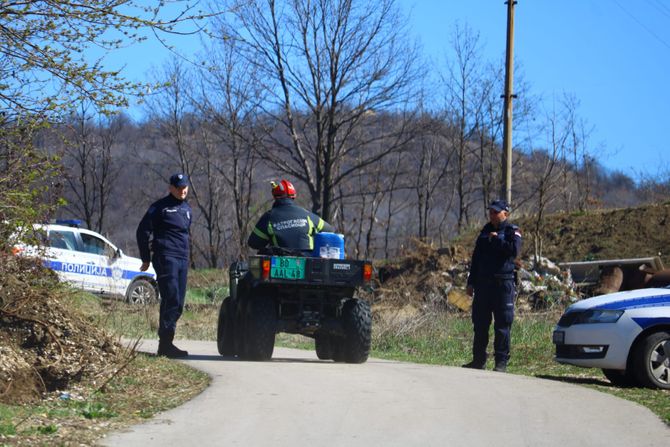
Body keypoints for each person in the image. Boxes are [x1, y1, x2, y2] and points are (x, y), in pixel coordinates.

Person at [136, 173, 192, 358]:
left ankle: (167, 342)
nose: (182, 190)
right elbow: (142, 231)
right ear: (171, 188)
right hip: (165, 257)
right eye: (178, 187)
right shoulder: (159, 208)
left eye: (184, 187)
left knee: (179, 304)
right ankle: (165, 344)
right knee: (171, 297)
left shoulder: (187, 208)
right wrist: (146, 258)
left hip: (182, 259)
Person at [463, 199, 522, 372]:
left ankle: (501, 363)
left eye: (496, 212)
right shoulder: (484, 232)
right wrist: (471, 282)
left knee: (502, 324)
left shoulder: (512, 231)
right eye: (490, 211)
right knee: (480, 323)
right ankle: (478, 360)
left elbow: (514, 251)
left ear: (506, 213)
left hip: (502, 284)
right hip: (483, 286)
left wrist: (497, 241)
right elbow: (476, 260)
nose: (492, 214)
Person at [248, 179, 334, 254]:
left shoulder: (268, 217)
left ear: (275, 197)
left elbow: (253, 243)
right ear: (294, 196)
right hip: (308, 265)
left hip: (280, 267)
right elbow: (330, 230)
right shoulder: (307, 215)